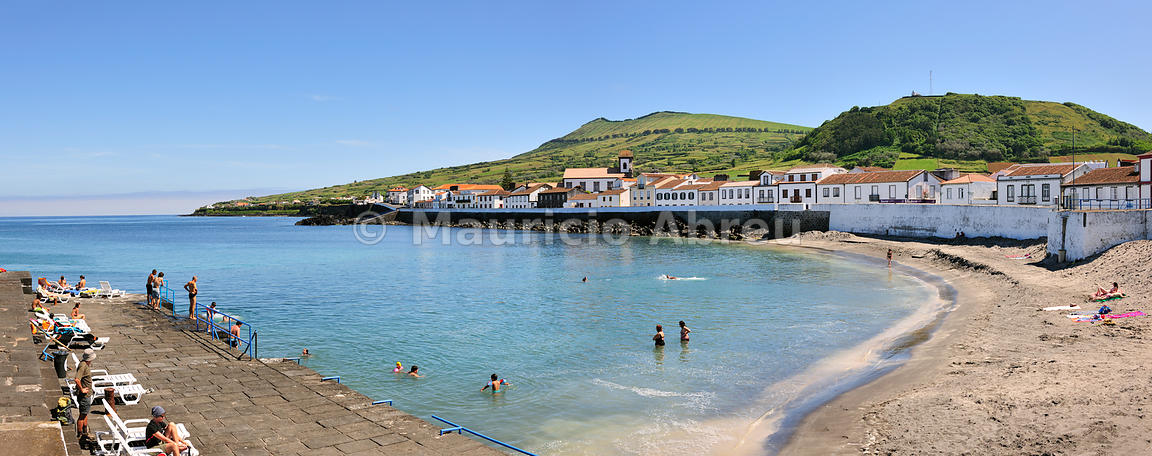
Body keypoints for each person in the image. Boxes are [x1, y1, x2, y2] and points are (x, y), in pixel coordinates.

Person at [74, 348, 95, 440]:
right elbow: (77, 379)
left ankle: (85, 432)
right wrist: (82, 389)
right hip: (84, 396)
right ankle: (79, 435)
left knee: (85, 413)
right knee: (82, 416)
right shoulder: (83, 366)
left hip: (87, 395)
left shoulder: (84, 364)